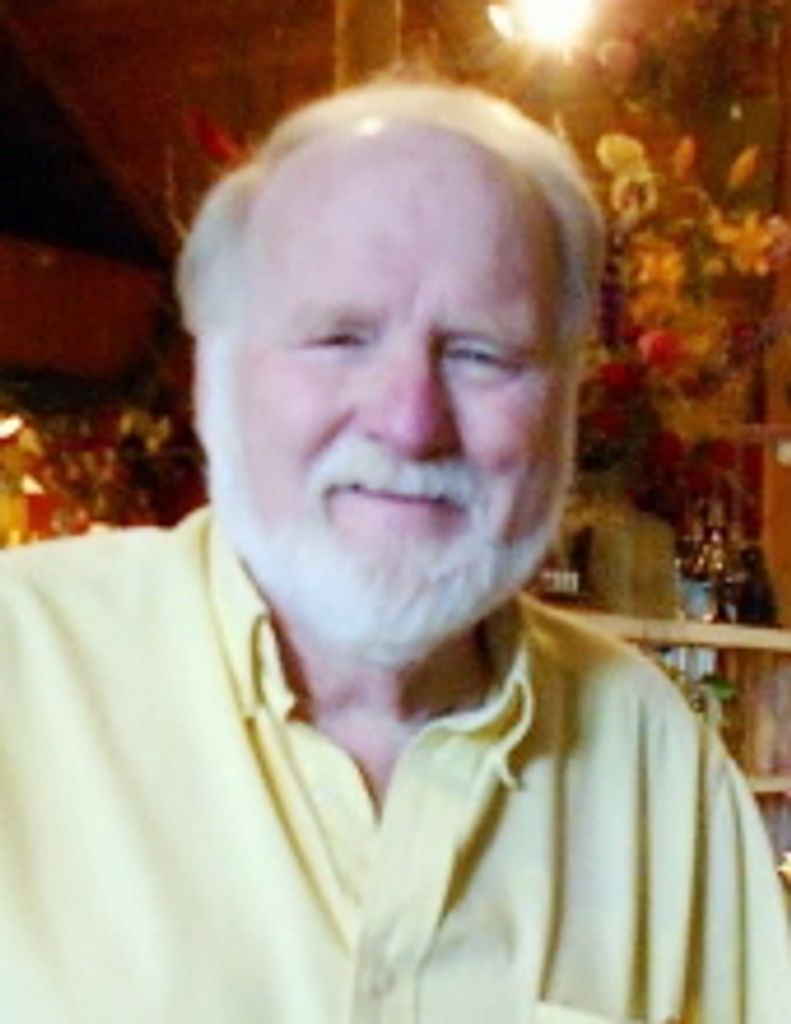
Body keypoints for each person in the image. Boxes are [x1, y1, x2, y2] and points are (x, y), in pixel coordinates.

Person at [1, 77, 789, 1024]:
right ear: (214, 372)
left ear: (566, 404)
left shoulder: (649, 754)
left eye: (481, 353)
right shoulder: (22, 667)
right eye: (340, 337)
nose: (410, 421)